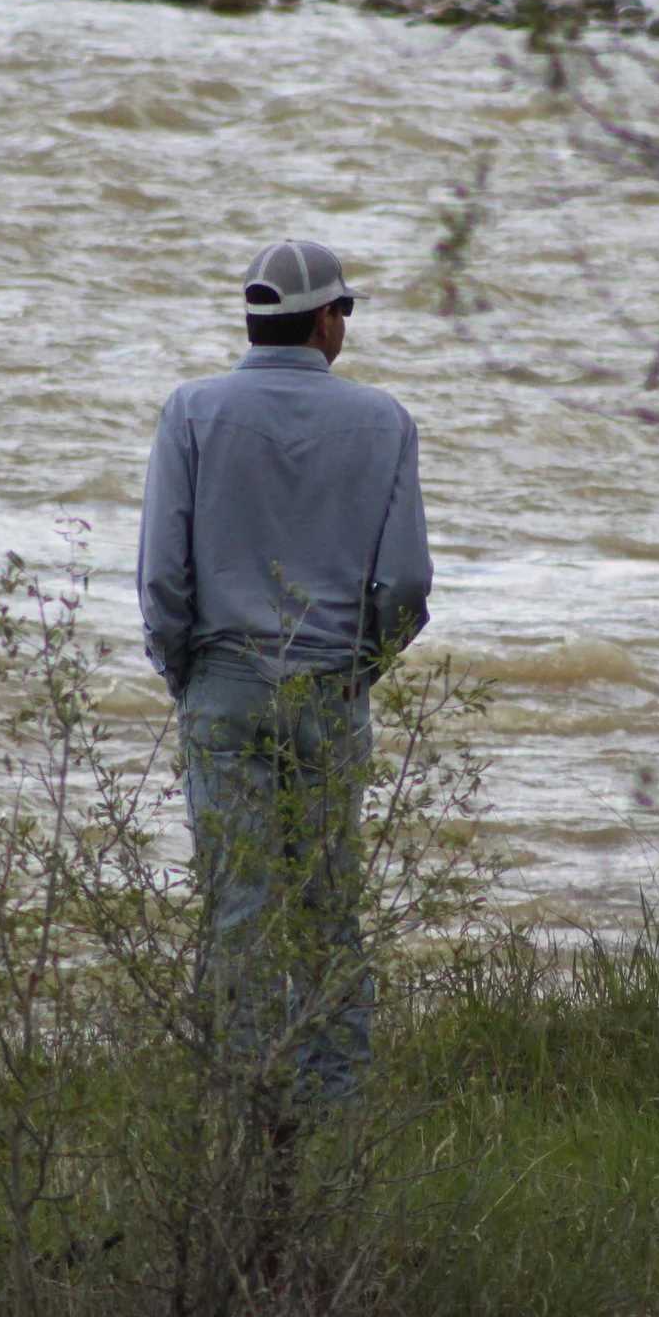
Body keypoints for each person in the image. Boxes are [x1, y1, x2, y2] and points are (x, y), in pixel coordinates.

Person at [137, 239, 432, 1103]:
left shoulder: (191, 412)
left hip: (223, 684)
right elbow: (407, 584)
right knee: (331, 909)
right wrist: (362, 668)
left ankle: (246, 1104)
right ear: (324, 319)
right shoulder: (385, 421)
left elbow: (163, 579)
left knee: (239, 910)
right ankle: (334, 1103)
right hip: (331, 689)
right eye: (346, 309)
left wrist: (184, 672)